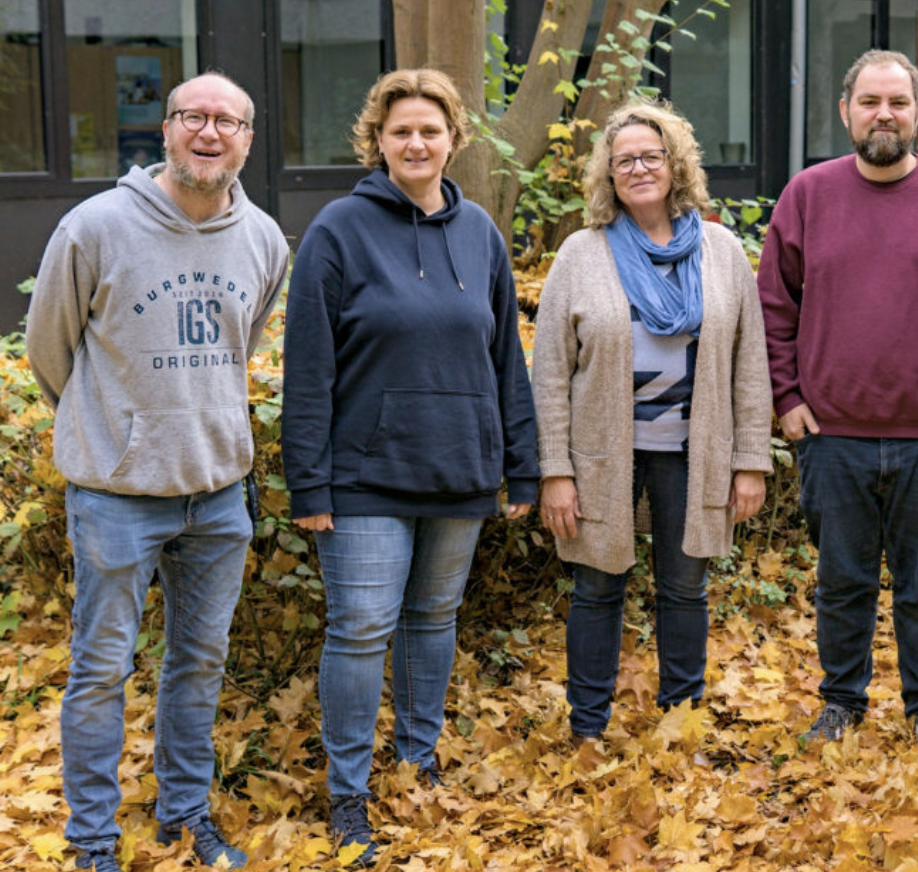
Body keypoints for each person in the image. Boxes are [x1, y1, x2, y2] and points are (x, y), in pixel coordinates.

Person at [27, 73, 287, 872]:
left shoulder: (266, 239)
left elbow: (241, 345)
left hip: (216, 496)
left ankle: (185, 815)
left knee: (199, 664)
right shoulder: (94, 227)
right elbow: (50, 350)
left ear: (248, 138)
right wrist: (117, 431)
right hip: (116, 496)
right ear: (166, 130)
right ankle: (93, 842)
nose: (210, 134)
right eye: (194, 118)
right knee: (102, 670)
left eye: (229, 122)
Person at [281, 68, 539, 864]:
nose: (417, 143)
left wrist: (521, 467)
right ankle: (350, 793)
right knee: (361, 631)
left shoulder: (481, 235)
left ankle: (417, 759)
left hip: (461, 471)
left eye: (431, 130)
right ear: (378, 141)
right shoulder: (336, 231)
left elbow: (506, 362)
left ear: (453, 139)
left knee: (433, 622)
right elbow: (309, 366)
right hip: (363, 480)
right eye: (402, 132)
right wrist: (309, 481)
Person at [758, 50, 918, 746]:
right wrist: (786, 396)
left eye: (897, 102)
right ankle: (842, 704)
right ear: (846, 112)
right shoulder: (808, 194)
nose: (883, 114)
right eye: (869, 102)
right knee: (842, 582)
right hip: (831, 431)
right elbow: (775, 305)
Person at [532, 98, 772, 742]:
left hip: (694, 454)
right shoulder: (582, 254)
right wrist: (554, 470)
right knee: (596, 589)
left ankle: (681, 724)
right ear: (608, 176)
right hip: (603, 456)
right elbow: (550, 372)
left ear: (676, 164)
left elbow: (751, 363)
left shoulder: (721, 251)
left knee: (685, 589)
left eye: (650, 156)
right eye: (623, 161)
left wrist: (752, 459)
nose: (638, 168)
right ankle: (587, 729)